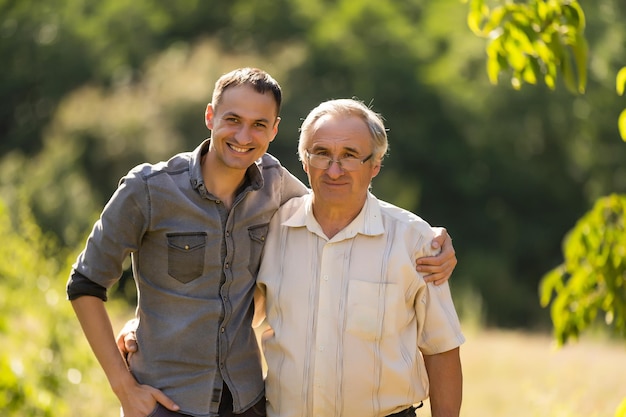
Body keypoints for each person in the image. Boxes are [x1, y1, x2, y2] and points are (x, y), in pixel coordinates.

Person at [67, 68, 456, 417]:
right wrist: (126, 379)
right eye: (232, 120)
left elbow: (336, 203)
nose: (242, 136)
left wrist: (434, 239)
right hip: (168, 402)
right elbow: (85, 284)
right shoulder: (151, 189)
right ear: (210, 117)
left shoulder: (276, 188)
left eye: (258, 125)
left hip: (246, 403)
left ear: (273, 131)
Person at [253, 99, 465, 417]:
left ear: (375, 164)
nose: (334, 170)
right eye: (321, 154)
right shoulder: (268, 228)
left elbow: (441, 349)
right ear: (304, 161)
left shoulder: (415, 240)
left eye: (349, 156)